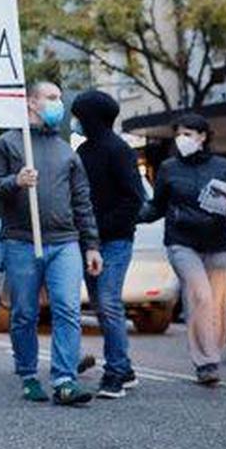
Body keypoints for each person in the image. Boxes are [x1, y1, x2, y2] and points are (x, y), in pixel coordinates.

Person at [0, 82, 102, 406]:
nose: (58, 104)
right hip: (22, 241)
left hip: (65, 242)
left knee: (67, 309)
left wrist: (91, 245)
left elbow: (82, 201)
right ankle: (28, 375)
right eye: (51, 98)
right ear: (32, 102)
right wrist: (15, 181)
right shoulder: (7, 145)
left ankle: (64, 379)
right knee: (24, 313)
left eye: (59, 99)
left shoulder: (66, 150)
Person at [140, 113, 226, 385]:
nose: (182, 138)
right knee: (200, 295)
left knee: (215, 303)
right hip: (182, 242)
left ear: (203, 136)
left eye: (188, 133)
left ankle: (212, 350)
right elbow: (157, 206)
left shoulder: (224, 166)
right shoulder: (168, 168)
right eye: (179, 133)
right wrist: (129, 216)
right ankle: (206, 362)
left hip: (219, 244)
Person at [70, 90, 145, 398]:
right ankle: (124, 368)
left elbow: (134, 198)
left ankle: (114, 372)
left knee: (109, 303)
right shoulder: (83, 152)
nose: (75, 122)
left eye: (79, 116)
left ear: (91, 117)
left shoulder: (120, 150)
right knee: (103, 306)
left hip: (114, 242)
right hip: (90, 242)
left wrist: (98, 231)